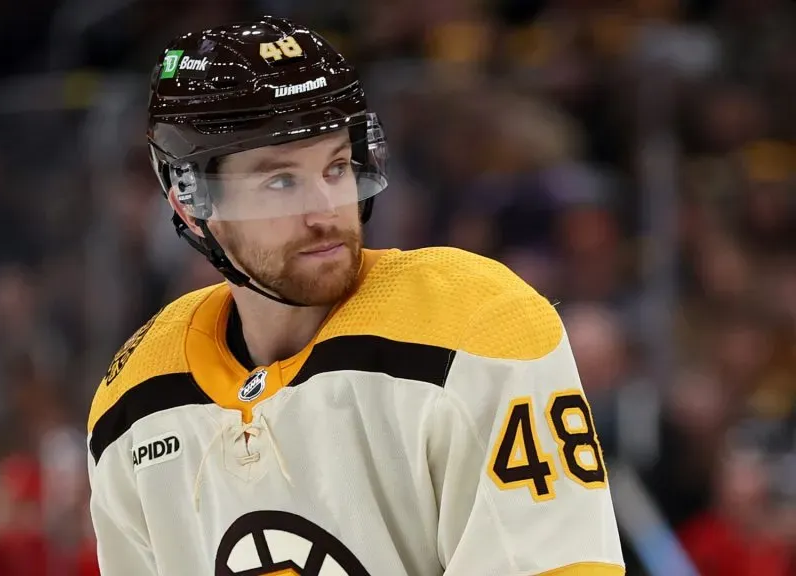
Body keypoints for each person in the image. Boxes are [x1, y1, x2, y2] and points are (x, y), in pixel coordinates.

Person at [86, 15, 624, 576]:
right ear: (189, 205)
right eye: (280, 181)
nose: (325, 211)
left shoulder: (475, 328)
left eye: (337, 167)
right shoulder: (134, 402)